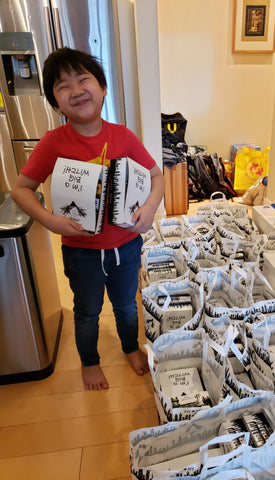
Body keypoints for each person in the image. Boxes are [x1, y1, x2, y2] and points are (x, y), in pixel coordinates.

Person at [11, 47, 165, 391]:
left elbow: (156, 176)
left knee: (127, 306)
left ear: (103, 88)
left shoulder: (123, 136)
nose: (76, 90)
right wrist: (49, 220)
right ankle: (90, 362)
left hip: (126, 246)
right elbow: (20, 188)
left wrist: (151, 208)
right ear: (55, 103)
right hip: (81, 252)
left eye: (84, 79)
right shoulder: (52, 142)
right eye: (63, 86)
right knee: (87, 312)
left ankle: (129, 347)